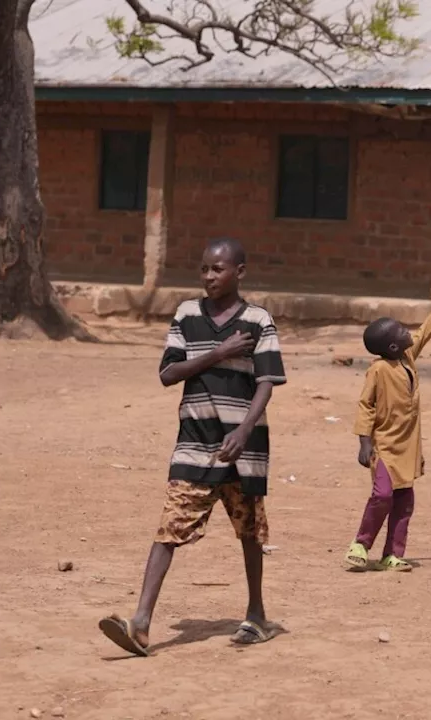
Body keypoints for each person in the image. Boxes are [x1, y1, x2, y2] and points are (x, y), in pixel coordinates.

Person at [99, 237, 286, 656]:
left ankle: (256, 614)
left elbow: (267, 382)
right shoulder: (187, 314)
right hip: (194, 445)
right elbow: (168, 373)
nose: (208, 277)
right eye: (203, 269)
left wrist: (243, 431)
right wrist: (219, 352)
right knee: (170, 527)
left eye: (217, 269)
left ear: (239, 272)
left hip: (243, 449)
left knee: (250, 531)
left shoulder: (258, 321)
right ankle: (141, 623)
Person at [345, 275, 431, 572]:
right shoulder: (378, 370)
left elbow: (426, 330)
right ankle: (361, 544)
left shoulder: (407, 358)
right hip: (385, 446)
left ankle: (392, 554)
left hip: (408, 446)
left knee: (404, 502)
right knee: (382, 495)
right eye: (401, 331)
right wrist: (364, 442)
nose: (407, 333)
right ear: (391, 346)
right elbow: (366, 405)